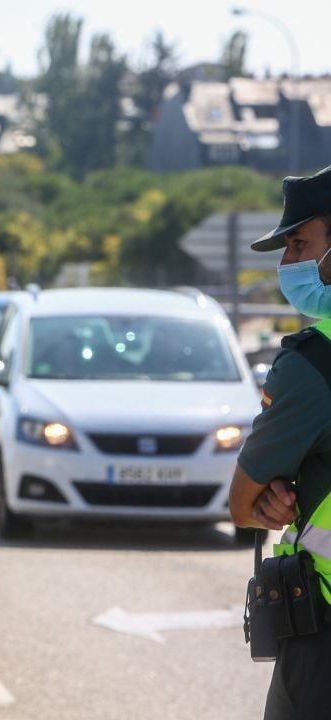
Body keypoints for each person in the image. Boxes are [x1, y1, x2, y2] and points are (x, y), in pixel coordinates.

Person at [228, 164, 331, 719]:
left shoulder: (312, 367)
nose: (288, 264)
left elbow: (243, 504)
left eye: (298, 244)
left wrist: (270, 495)